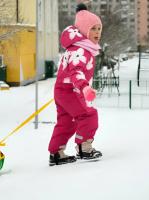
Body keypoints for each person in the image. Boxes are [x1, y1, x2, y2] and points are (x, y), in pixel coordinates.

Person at [48, 4, 103, 166]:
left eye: (100, 29)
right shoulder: (81, 50)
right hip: (71, 90)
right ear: (85, 30)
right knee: (89, 115)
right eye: (93, 29)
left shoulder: (75, 48)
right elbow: (76, 71)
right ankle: (84, 147)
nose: (98, 33)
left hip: (62, 91)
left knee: (67, 122)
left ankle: (56, 153)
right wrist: (84, 87)